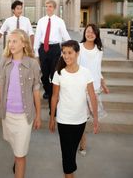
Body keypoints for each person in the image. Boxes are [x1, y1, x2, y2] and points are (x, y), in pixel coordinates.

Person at [0, 29, 41, 178]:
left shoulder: (33, 64)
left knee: (20, 155)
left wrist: (38, 115)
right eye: (9, 41)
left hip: (24, 116)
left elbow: (36, 90)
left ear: (24, 43)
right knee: (15, 148)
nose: (11, 44)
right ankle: (17, 160)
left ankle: (18, 164)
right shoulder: (4, 61)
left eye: (15, 41)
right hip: (7, 115)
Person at [49, 40, 98, 178]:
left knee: (71, 151)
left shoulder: (85, 73)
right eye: (64, 53)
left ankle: (69, 170)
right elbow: (54, 97)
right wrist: (52, 118)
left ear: (77, 53)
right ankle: (69, 173)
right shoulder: (59, 73)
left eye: (70, 52)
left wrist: (96, 118)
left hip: (80, 121)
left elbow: (92, 96)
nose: (66, 56)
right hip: (64, 120)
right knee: (67, 154)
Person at [78, 23, 109, 156]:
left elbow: (98, 69)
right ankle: (82, 144)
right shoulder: (78, 48)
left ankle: (81, 142)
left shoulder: (99, 50)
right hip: (80, 88)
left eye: (93, 32)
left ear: (96, 35)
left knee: (91, 117)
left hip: (95, 89)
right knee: (82, 119)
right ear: (85, 33)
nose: (90, 34)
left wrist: (103, 84)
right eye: (88, 31)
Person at [34, 0, 71, 104]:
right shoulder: (41, 21)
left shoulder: (59, 21)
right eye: (46, 6)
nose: (48, 8)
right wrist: (36, 52)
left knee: (53, 73)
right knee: (44, 75)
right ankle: (47, 90)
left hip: (55, 49)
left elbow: (65, 35)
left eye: (50, 6)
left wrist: (73, 46)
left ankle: (52, 94)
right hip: (43, 49)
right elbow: (37, 37)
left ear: (54, 8)